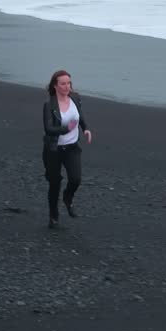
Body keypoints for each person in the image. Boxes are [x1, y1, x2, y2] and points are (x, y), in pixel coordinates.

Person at [42, 70, 93, 229]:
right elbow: (49, 128)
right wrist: (66, 128)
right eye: (63, 84)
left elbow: (80, 115)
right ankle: (53, 215)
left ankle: (68, 197)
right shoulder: (49, 105)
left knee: (76, 179)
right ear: (55, 86)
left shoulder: (75, 98)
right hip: (53, 150)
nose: (66, 86)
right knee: (54, 184)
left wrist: (85, 128)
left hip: (72, 148)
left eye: (68, 83)